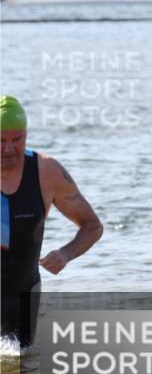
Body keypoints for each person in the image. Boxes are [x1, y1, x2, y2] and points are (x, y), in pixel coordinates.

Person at [1, 95, 104, 346]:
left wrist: (66, 254)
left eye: (17, 139)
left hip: (24, 295)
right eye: (0, 141)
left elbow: (92, 225)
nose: (8, 149)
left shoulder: (46, 172)